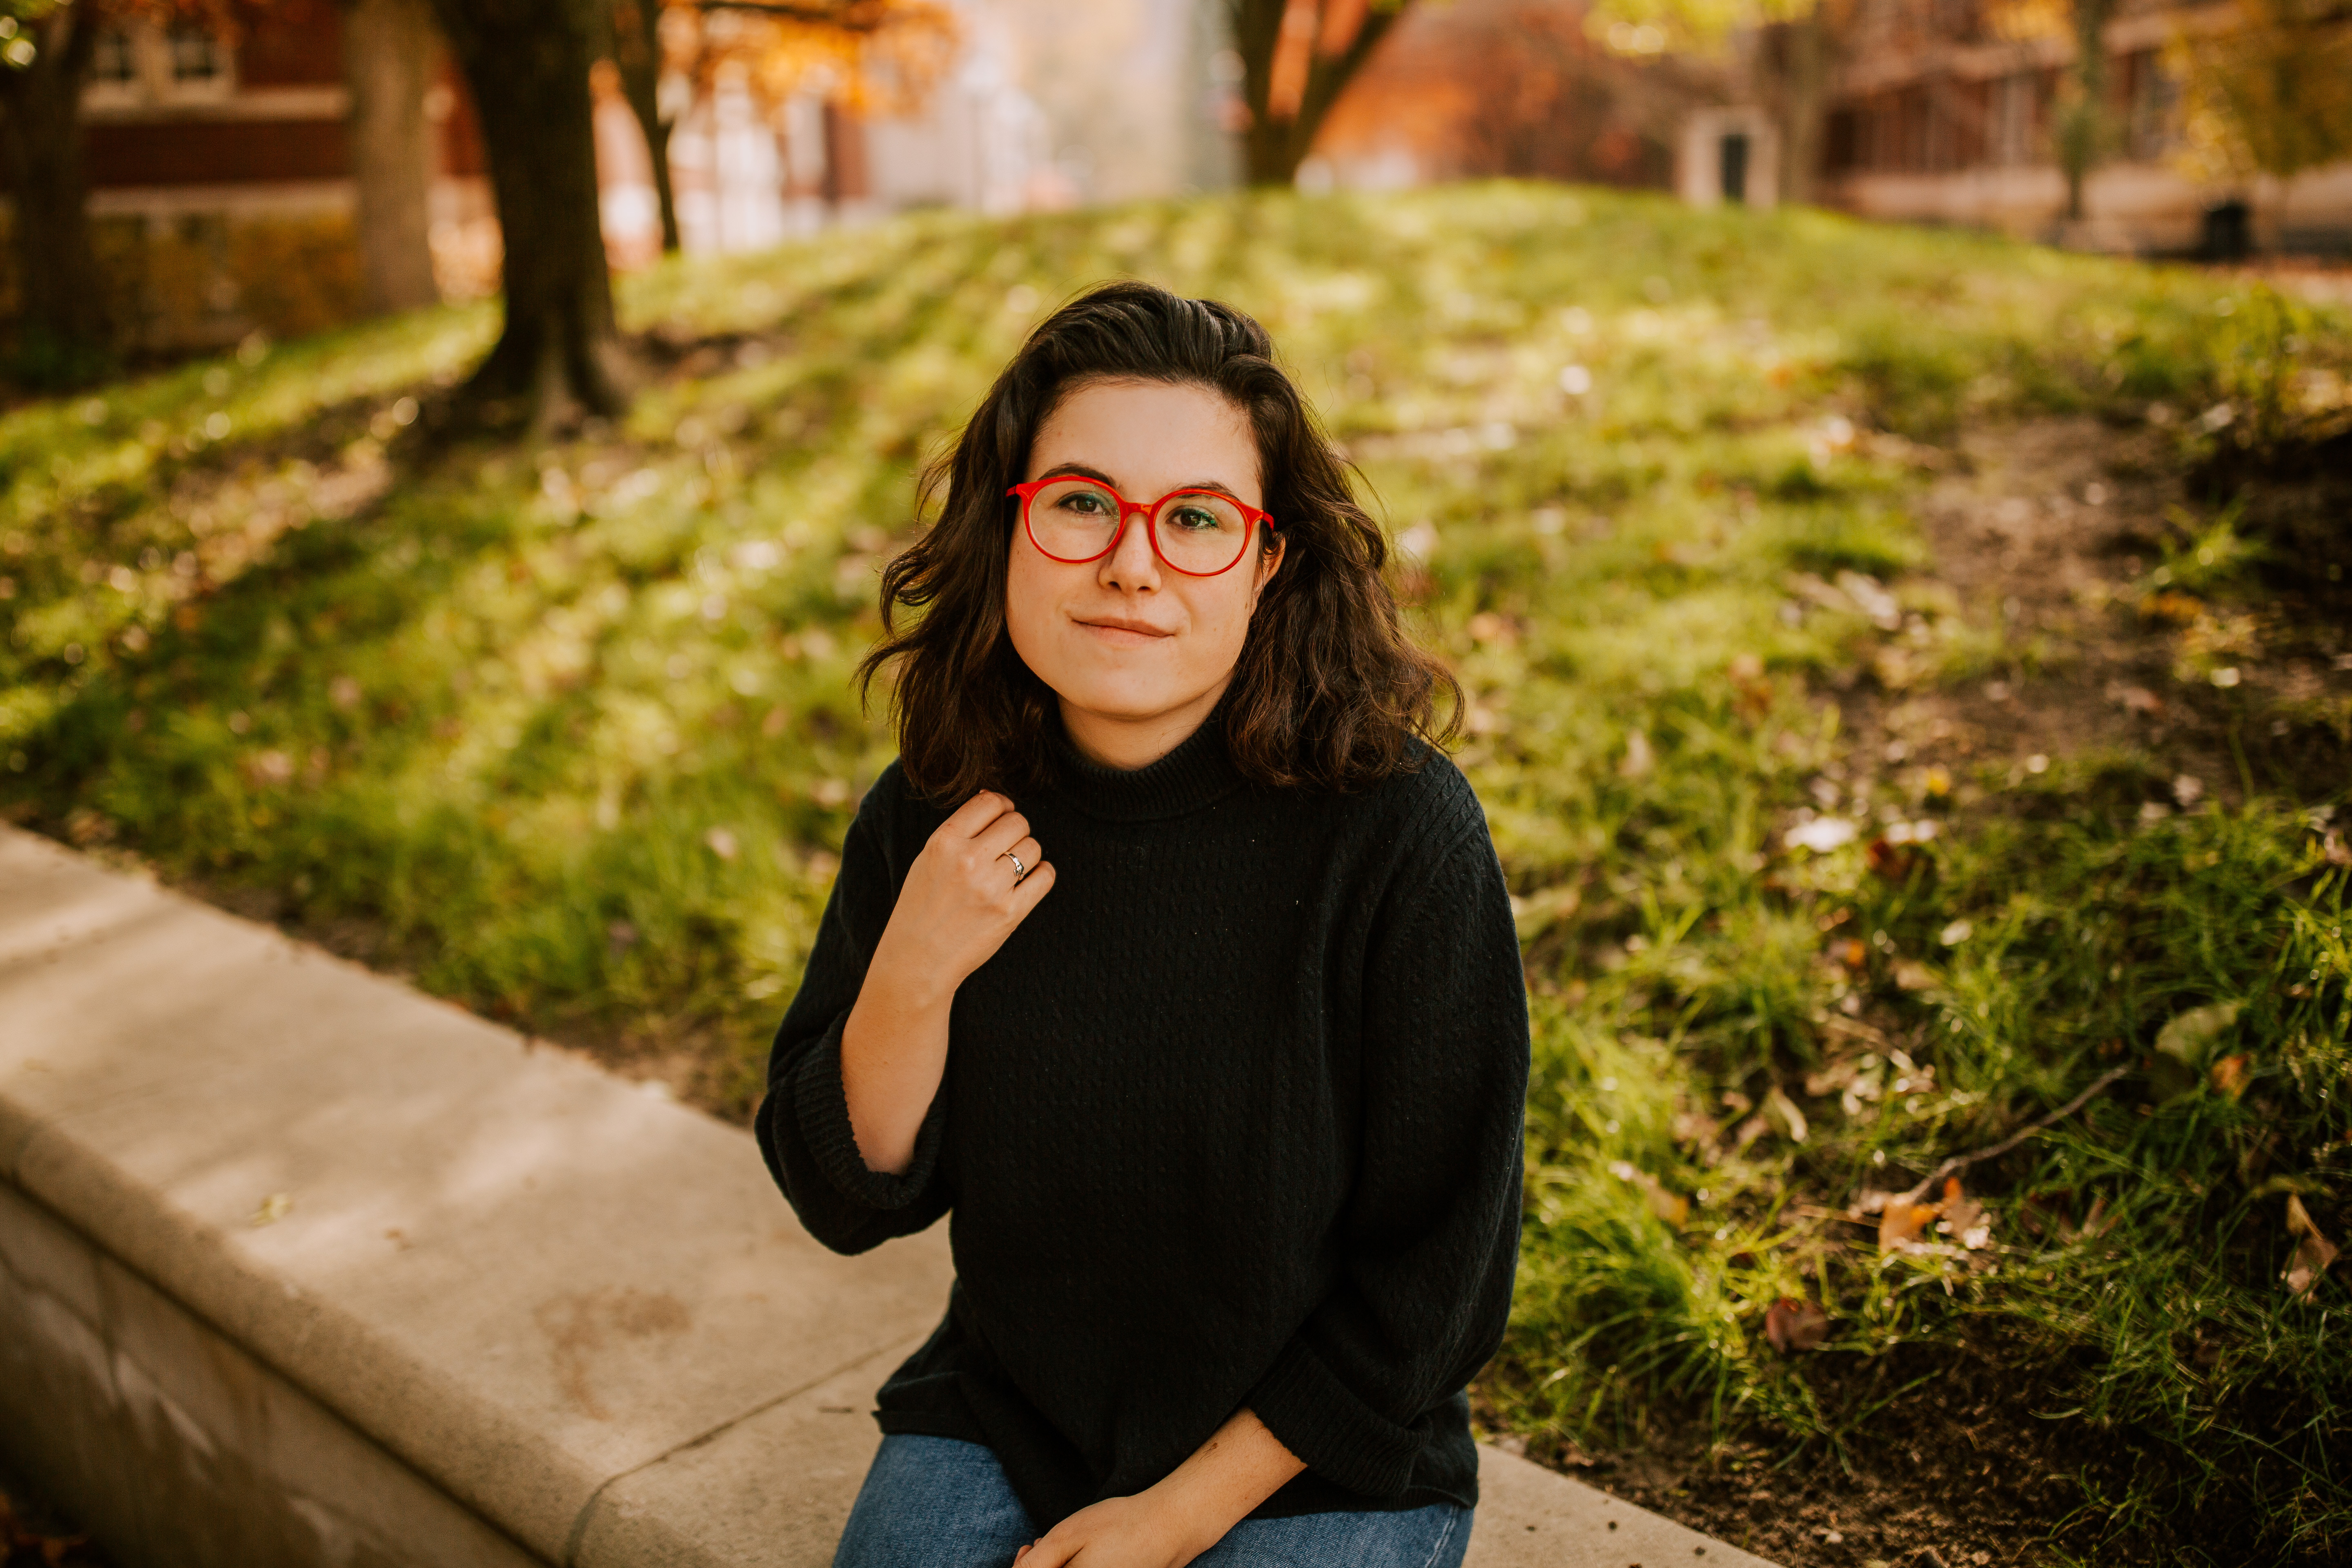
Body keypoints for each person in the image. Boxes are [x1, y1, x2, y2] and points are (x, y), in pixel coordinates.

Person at [757, 281, 1530, 1568]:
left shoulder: (1398, 835)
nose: (1131, 563)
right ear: (1010, 528)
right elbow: (845, 1198)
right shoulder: (938, 813)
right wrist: (917, 965)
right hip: (1014, 1414)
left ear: (1268, 560)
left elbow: (1440, 1282)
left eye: (1195, 520)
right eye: (1079, 503)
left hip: (1323, 1450)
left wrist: (1172, 1521)